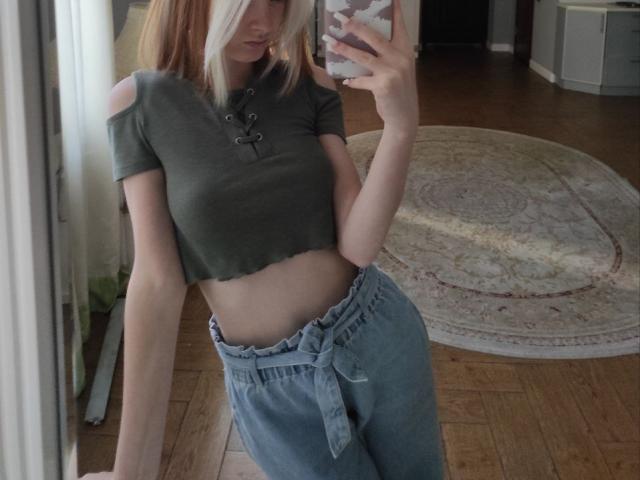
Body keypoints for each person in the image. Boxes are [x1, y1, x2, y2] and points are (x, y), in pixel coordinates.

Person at [84, 0, 444, 478]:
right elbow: (156, 282)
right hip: (274, 387)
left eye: (278, 1)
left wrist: (400, 126)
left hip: (378, 335)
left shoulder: (308, 83)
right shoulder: (139, 105)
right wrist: (131, 471)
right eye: (245, 5)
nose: (267, 23)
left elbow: (359, 245)